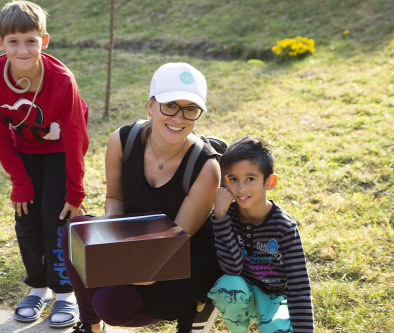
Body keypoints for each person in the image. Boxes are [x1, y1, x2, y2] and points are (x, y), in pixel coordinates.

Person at [61, 62, 223, 333]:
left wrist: (127, 267)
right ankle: (90, 326)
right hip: (138, 239)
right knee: (73, 233)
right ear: (150, 106)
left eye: (190, 109)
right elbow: (114, 198)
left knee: (110, 304)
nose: (179, 118)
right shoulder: (122, 140)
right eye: (170, 105)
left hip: (186, 254)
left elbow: (173, 246)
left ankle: (197, 302)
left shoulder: (207, 167)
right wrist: (109, 243)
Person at [0, 0, 89, 328]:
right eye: (13, 41)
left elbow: (75, 138)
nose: (23, 49)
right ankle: (38, 287)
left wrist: (75, 191)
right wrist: (20, 181)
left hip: (60, 151)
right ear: (1, 43)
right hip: (24, 150)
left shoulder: (61, 79)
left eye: (31, 40)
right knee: (26, 219)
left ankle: (66, 293)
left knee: (56, 217)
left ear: (44, 40)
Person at [208, 135, 314, 332]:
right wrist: (221, 217)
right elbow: (232, 269)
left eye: (250, 179)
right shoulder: (225, 217)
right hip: (244, 294)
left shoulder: (284, 227)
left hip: (275, 299)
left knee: (275, 328)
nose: (241, 188)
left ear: (269, 182)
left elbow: (299, 288)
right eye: (233, 179)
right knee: (228, 285)